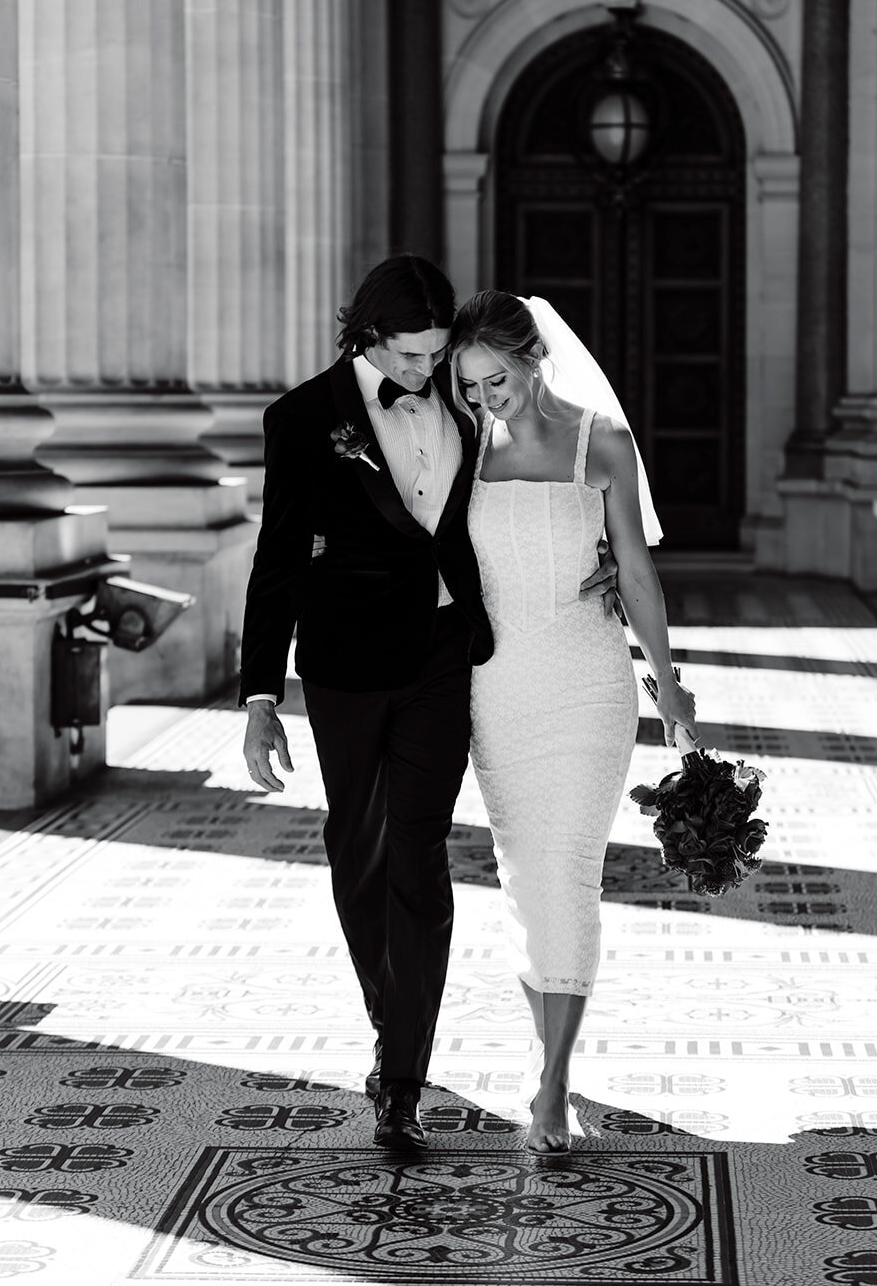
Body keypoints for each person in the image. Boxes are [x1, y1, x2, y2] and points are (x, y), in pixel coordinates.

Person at [238, 256, 615, 1154]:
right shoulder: (300, 417)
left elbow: (546, 478)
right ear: (366, 337)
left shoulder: (463, 401)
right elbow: (277, 556)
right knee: (356, 855)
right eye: (410, 357)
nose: (427, 372)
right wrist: (260, 694)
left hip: (448, 663)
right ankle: (388, 1014)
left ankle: (400, 1071)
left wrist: (597, 556)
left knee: (417, 852)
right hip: (343, 668)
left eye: (435, 355)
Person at [451, 289, 697, 1154]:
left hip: (589, 683)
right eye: (471, 385)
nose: (486, 398)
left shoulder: (603, 442)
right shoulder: (463, 446)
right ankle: (543, 1053)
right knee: (525, 876)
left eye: (497, 379)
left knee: (570, 872)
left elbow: (634, 570)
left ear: (530, 360)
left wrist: (669, 685)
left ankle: (552, 1083)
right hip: (498, 687)